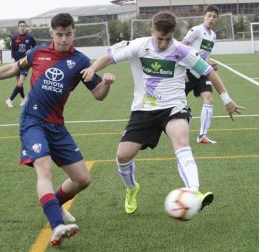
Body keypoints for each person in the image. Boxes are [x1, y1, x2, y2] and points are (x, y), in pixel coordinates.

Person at [0, 13, 115, 247]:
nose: (64, 39)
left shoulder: (82, 62)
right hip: (32, 121)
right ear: (52, 34)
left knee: (83, 179)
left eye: (68, 34)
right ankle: (56, 226)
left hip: (57, 126)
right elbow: (12, 69)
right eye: (59, 34)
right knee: (44, 169)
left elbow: (98, 95)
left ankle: (53, 204)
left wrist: (105, 84)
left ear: (74, 32)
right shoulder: (38, 53)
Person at [82, 11, 244, 215]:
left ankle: (194, 192)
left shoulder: (181, 50)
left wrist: (227, 100)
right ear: (152, 31)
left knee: (182, 142)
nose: (162, 44)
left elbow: (209, 72)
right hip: (143, 110)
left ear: (173, 34)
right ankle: (132, 189)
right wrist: (93, 67)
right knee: (123, 156)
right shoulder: (139, 45)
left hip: (173, 108)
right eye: (159, 38)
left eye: (167, 39)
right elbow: (110, 56)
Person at [182, 5, 220, 144]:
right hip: (187, 72)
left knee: (209, 98)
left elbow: (203, 56)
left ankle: (202, 135)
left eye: (214, 17)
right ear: (204, 16)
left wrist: (209, 64)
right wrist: (180, 71)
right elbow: (182, 48)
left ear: (216, 19)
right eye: (209, 15)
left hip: (202, 73)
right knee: (176, 103)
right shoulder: (196, 30)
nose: (211, 18)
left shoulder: (213, 36)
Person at [5, 20, 37, 108]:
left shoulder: (30, 37)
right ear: (18, 27)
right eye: (21, 26)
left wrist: (31, 51)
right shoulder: (14, 37)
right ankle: (23, 98)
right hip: (16, 63)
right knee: (19, 83)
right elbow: (13, 50)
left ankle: (10, 100)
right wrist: (12, 58)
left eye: (24, 26)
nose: (22, 27)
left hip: (25, 62)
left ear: (25, 27)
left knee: (20, 83)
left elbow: (35, 47)